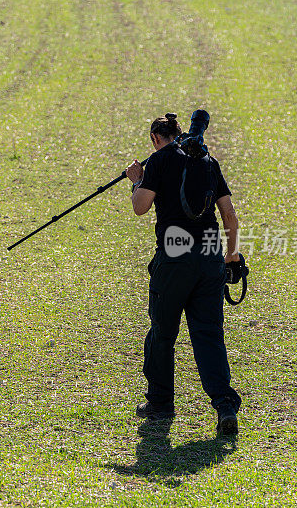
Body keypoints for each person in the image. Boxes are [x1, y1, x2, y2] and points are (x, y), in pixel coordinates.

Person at [125, 112, 242, 435]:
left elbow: (140, 206)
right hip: (209, 258)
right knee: (208, 334)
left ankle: (161, 403)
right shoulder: (208, 161)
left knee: (163, 332)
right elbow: (229, 216)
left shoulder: (160, 161)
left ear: (155, 139)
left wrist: (137, 178)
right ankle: (224, 405)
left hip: (174, 259)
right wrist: (231, 258)